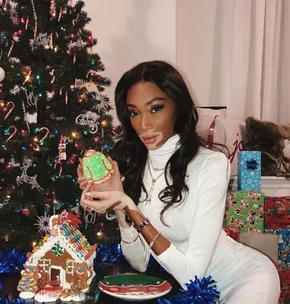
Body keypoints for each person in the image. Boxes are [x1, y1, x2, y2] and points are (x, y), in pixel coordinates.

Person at [77, 61, 280, 303]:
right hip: (191, 291)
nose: (144, 125)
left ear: (178, 106)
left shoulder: (211, 165)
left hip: (244, 279)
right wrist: (121, 208)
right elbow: (140, 263)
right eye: (134, 112)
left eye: (155, 109)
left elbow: (192, 275)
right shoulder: (135, 168)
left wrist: (131, 207)